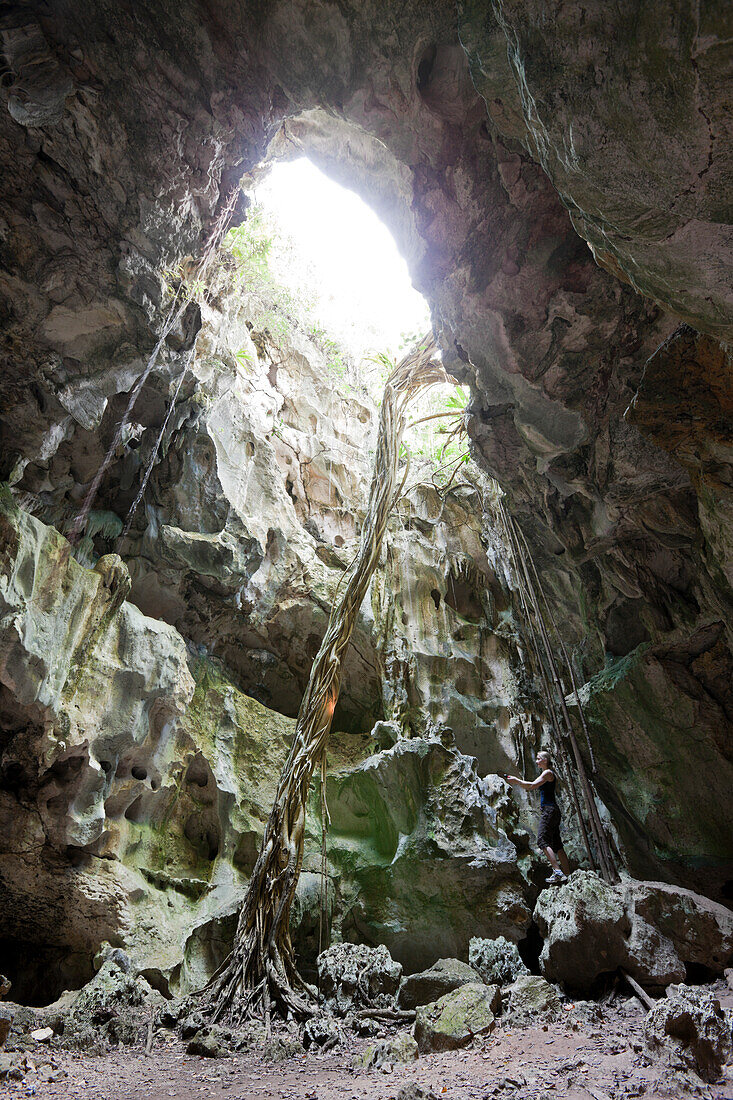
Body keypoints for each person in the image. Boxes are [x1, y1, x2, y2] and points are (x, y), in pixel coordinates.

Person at [505, 751, 571, 884]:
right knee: (557, 844)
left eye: (539, 758)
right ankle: (568, 874)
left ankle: (557, 871)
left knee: (542, 840)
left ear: (545, 760)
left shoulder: (547, 773)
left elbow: (531, 786)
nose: (536, 761)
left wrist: (516, 781)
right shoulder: (548, 773)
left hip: (549, 810)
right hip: (553, 811)